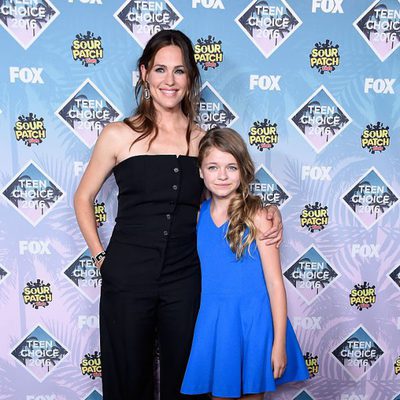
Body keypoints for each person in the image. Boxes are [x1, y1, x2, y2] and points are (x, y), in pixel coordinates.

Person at [74, 30, 282, 400]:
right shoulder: (118, 135)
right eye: (160, 69)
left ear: (191, 78)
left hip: (185, 279)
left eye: (180, 71)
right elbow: (83, 197)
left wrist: (267, 210)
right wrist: (101, 258)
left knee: (187, 382)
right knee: (126, 381)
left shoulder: (203, 141)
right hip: (126, 276)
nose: (169, 80)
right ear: (144, 74)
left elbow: (225, 193)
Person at [181, 128, 309, 400]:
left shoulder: (258, 216)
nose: (223, 175)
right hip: (214, 322)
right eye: (213, 167)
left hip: (254, 322)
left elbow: (275, 284)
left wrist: (279, 344)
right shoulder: (196, 216)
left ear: (243, 170)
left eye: (231, 167)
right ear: (201, 172)